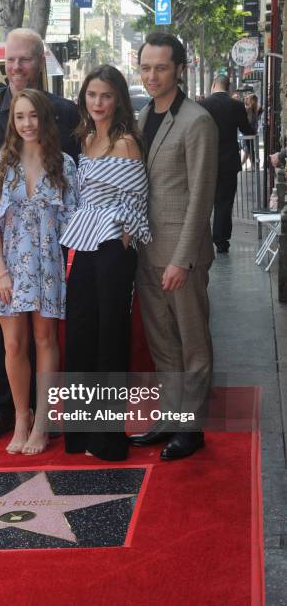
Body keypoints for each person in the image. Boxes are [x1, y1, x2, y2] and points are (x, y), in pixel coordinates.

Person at [0, 28, 79, 444]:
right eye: (19, 117)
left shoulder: (64, 157)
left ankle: (44, 421)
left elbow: (76, 216)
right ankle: (16, 417)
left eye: (23, 59)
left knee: (46, 338)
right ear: (11, 120)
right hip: (6, 263)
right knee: (9, 343)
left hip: (48, 261)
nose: (15, 67)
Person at [129, 33, 218, 460]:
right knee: (162, 342)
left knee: (192, 341)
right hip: (146, 250)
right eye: (146, 67)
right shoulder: (143, 115)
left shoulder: (197, 121)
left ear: (179, 69)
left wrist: (182, 259)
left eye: (160, 67)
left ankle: (193, 427)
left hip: (181, 255)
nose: (151, 75)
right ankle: (170, 417)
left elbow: (201, 197)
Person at [60, 65, 151, 461]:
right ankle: (80, 432)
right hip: (84, 243)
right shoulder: (85, 139)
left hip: (114, 245)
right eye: (92, 95)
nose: (98, 103)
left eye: (106, 96)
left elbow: (136, 200)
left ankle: (108, 438)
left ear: (118, 100)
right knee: (80, 330)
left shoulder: (125, 142)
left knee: (110, 336)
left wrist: (125, 236)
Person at [200, 75, 254, 254]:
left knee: (204, 201)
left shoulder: (203, 105)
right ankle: (221, 239)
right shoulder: (236, 105)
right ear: (229, 87)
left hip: (206, 161)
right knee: (225, 202)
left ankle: (202, 239)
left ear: (214, 84)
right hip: (229, 161)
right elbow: (247, 130)